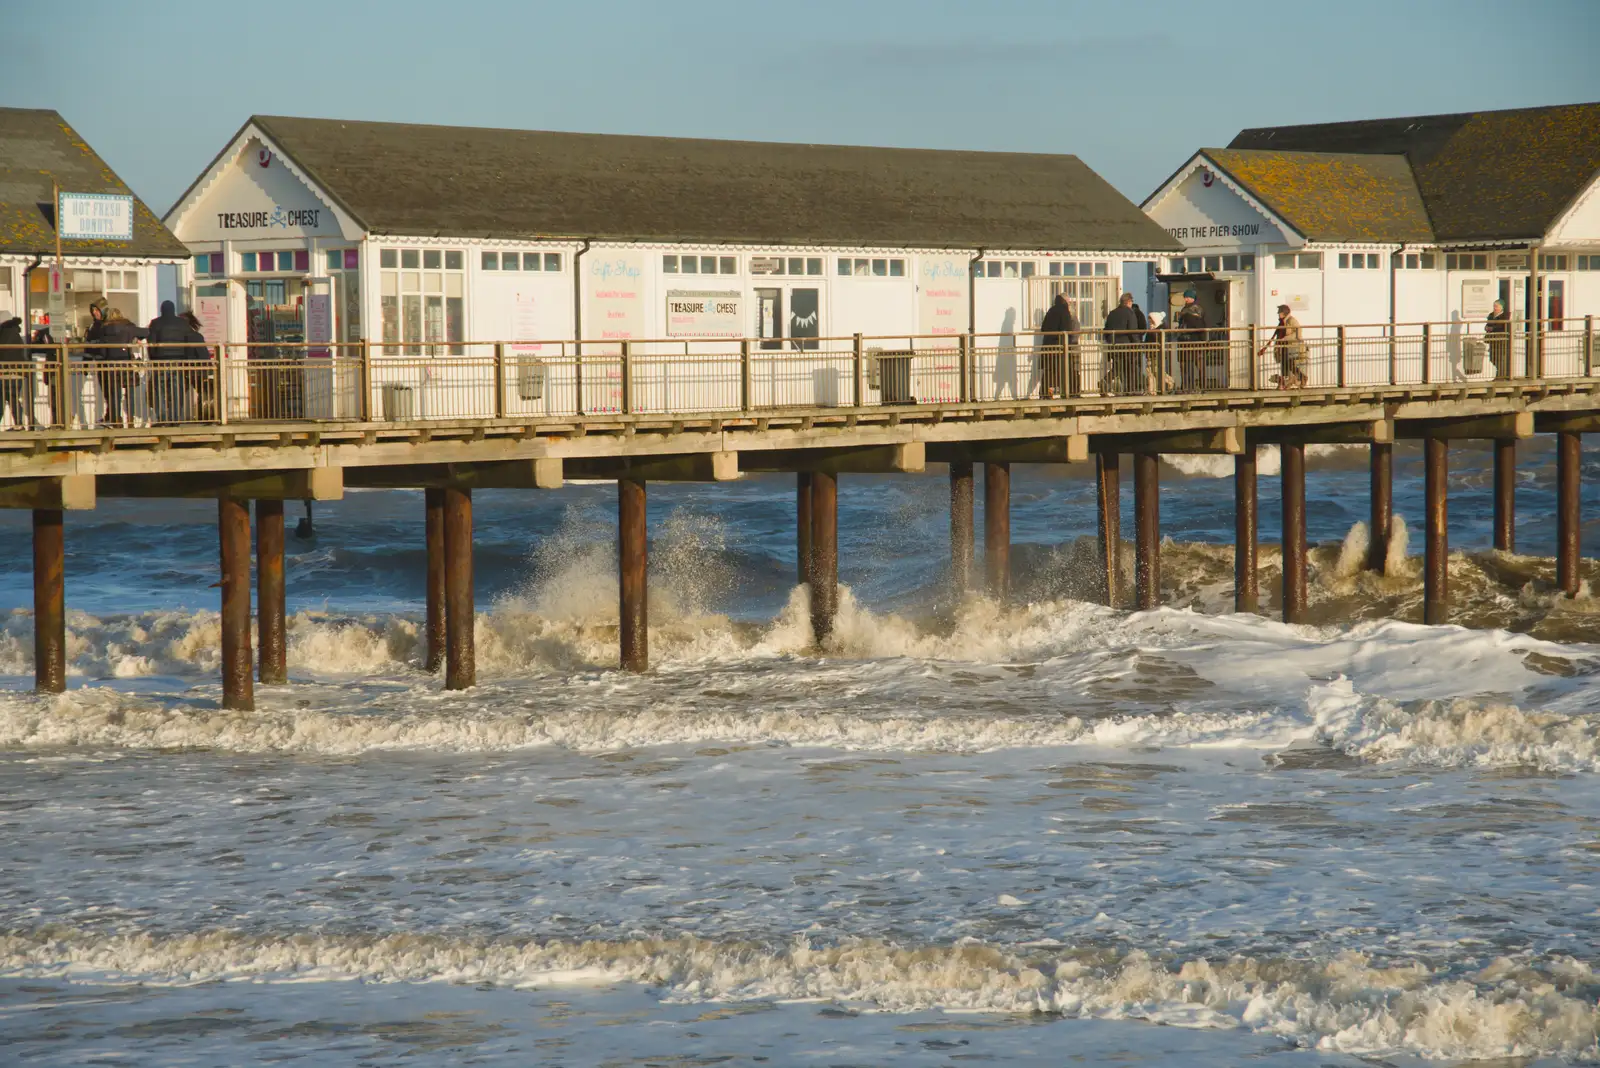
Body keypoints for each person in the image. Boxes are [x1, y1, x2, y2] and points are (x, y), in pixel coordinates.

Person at [96, 307, 148, 427]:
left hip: (110, 365)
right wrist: (137, 338)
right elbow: (146, 332)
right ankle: (130, 420)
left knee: (114, 394)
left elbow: (102, 351)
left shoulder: (103, 329)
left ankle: (116, 421)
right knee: (130, 394)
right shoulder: (128, 327)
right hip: (126, 364)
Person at [147, 300, 196, 422]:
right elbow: (189, 342)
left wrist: (153, 358)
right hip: (178, 361)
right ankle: (175, 417)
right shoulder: (182, 323)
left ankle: (162, 417)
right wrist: (186, 359)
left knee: (159, 389)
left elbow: (151, 343)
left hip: (160, 361)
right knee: (177, 390)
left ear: (161, 309)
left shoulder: (155, 323)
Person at [1102, 292, 1147, 395]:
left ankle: (1105, 381)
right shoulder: (1129, 313)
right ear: (1129, 302)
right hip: (1127, 346)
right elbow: (1132, 331)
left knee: (1118, 368)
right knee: (1130, 368)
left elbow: (1106, 330)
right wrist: (1137, 345)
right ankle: (1130, 390)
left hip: (1114, 346)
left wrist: (1110, 341)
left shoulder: (1112, 313)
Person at [1038, 292, 1079, 398]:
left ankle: (1044, 393)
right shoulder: (1064, 311)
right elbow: (1067, 329)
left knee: (1049, 372)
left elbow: (1043, 328)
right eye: (1069, 302)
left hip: (1047, 346)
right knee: (1066, 370)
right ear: (1065, 301)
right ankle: (1070, 393)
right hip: (1060, 347)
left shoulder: (1051, 310)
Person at [1257, 304, 1306, 389]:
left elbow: (1298, 333)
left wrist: (1285, 338)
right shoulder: (1281, 322)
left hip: (1292, 346)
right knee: (1284, 365)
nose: (1278, 314)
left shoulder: (1291, 320)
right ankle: (1286, 383)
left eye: (1279, 312)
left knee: (1290, 365)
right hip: (1284, 347)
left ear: (1284, 313)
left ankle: (1301, 378)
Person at [182, 310, 218, 420]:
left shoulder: (177, 337)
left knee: (177, 395)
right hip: (197, 371)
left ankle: (174, 418)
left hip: (182, 370)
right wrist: (210, 370)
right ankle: (204, 415)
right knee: (204, 392)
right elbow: (203, 354)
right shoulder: (196, 336)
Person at [0, 316, 31, 429]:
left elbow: (4, 353)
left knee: (7, 397)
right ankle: (18, 424)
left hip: (7, 371)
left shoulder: (4, 334)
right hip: (18, 371)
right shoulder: (14, 333)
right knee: (12, 397)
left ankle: (19, 424)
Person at [1174, 288, 1208, 391]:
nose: (1186, 299)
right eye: (1185, 297)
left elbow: (1199, 324)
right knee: (1186, 364)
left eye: (1187, 297)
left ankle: (1199, 386)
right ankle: (1188, 385)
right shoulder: (1186, 309)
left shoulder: (1194, 309)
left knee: (1195, 364)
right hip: (1187, 341)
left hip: (1194, 340)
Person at [1485, 299, 1511, 379]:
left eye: (1496, 306)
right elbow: (1487, 324)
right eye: (1494, 306)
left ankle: (1500, 376)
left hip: (1501, 339)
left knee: (1500, 358)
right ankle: (1498, 374)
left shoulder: (1506, 315)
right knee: (1493, 358)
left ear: (1501, 307)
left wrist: (1492, 328)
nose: (1495, 308)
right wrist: (1486, 328)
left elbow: (1502, 326)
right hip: (1492, 339)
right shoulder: (1491, 315)